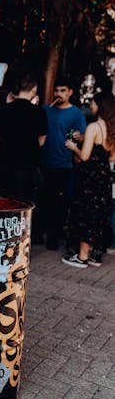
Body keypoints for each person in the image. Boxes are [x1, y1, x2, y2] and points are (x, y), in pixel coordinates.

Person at [62, 92, 115, 268]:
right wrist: (85, 139)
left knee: (86, 212)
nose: (91, 106)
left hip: (90, 177)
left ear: (100, 106)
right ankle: (95, 255)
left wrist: (72, 147)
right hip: (104, 175)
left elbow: (84, 156)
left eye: (93, 103)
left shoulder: (93, 127)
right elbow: (111, 157)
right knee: (99, 213)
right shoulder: (111, 127)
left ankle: (82, 257)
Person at [0, 72, 47, 207]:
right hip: (27, 166)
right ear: (34, 89)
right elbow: (42, 141)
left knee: (4, 203)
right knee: (25, 205)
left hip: (5, 163)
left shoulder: (4, 110)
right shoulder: (39, 112)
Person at [41, 77, 86, 249]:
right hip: (44, 162)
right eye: (57, 90)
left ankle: (53, 239)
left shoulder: (76, 113)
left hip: (64, 164)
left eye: (63, 91)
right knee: (44, 201)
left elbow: (81, 135)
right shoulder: (47, 109)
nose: (59, 94)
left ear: (70, 92)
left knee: (59, 204)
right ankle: (40, 235)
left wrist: (77, 137)